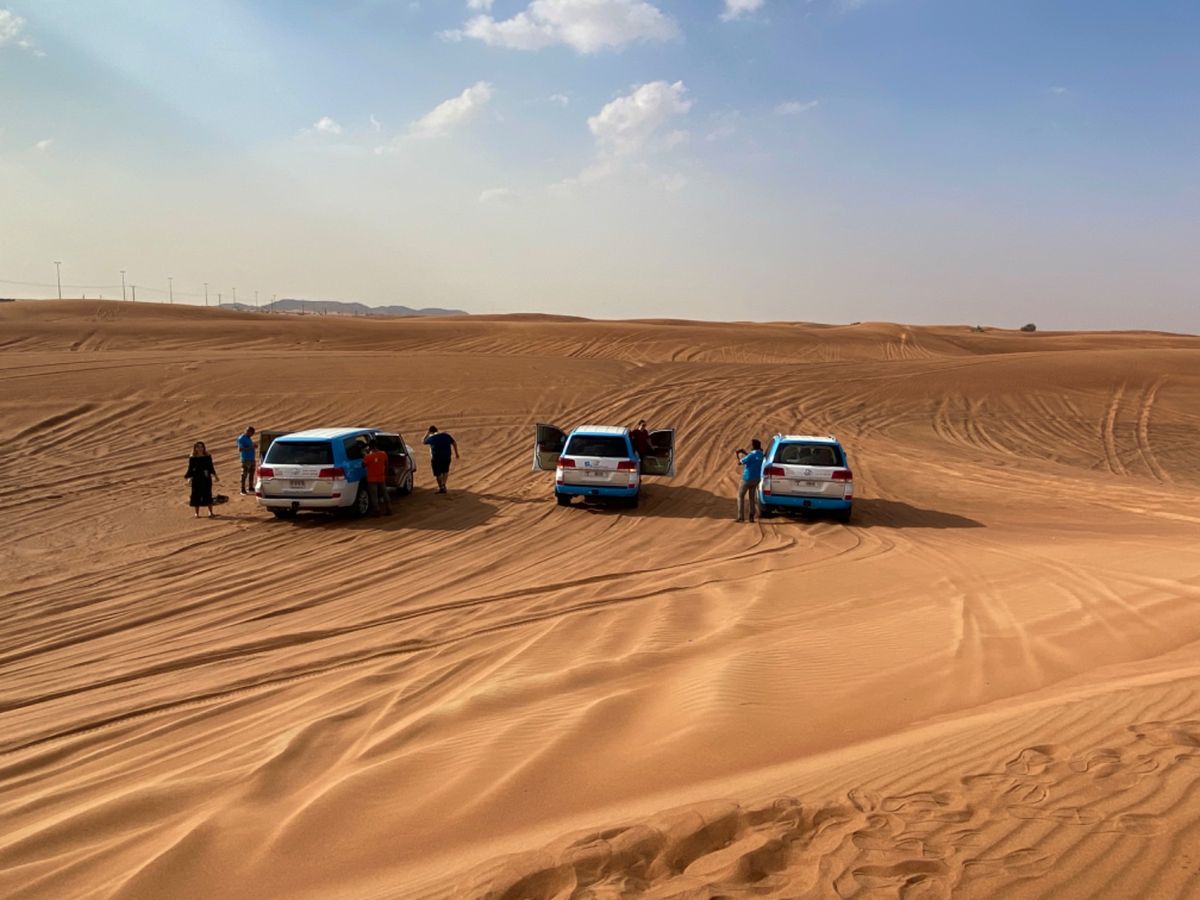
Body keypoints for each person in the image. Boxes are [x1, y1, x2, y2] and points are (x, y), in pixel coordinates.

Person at [186, 441, 219, 518]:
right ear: (195, 448)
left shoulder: (207, 456)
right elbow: (190, 469)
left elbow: (211, 467)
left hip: (206, 477)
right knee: (195, 494)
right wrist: (189, 478)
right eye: (198, 447)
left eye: (201, 447)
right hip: (196, 477)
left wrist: (215, 476)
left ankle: (210, 512)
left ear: (204, 448)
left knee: (208, 494)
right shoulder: (192, 457)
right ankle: (197, 513)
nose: (200, 448)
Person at [735, 439, 765, 523]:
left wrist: (738, 454)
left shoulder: (751, 455)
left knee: (740, 496)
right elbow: (753, 457)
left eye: (751, 445)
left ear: (753, 446)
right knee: (752, 497)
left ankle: (741, 517)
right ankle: (751, 516)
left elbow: (740, 462)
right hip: (756, 479)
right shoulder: (761, 454)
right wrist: (745, 452)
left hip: (747, 478)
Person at [423, 425, 459, 494]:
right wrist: (456, 453)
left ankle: (441, 487)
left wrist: (427, 434)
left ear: (430, 432)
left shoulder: (431, 438)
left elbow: (423, 441)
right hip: (446, 456)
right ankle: (443, 485)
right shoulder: (446, 435)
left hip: (436, 458)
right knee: (445, 471)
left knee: (437, 473)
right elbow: (454, 443)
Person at [363, 440, 392, 517]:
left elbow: (363, 465)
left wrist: (365, 454)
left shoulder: (368, 457)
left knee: (374, 495)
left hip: (372, 479)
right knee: (385, 493)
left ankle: (377, 511)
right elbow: (387, 465)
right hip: (381, 477)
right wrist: (386, 474)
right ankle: (389, 509)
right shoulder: (383, 454)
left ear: (369, 447)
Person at [237, 426, 256, 495]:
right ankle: (242, 489)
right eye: (251, 433)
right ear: (247, 431)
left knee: (251, 473)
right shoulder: (241, 438)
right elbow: (240, 449)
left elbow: (250, 446)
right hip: (245, 459)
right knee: (244, 474)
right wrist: (252, 447)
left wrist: (253, 446)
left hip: (252, 458)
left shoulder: (249, 438)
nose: (252, 434)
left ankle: (250, 487)